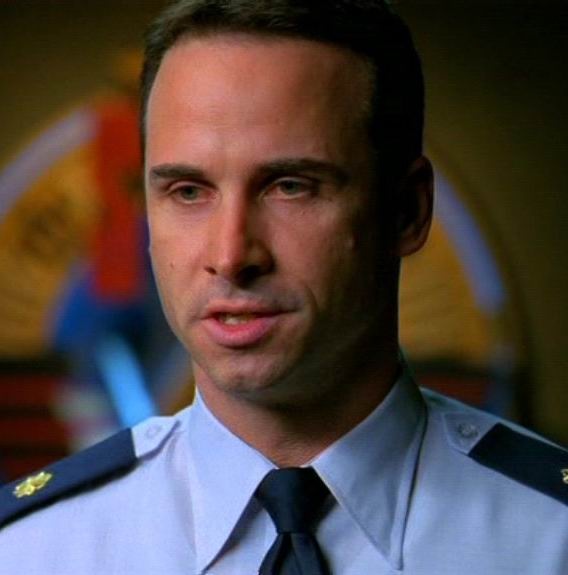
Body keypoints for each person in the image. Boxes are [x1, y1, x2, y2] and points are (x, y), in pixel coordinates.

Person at [1, 1, 567, 573]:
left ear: (407, 211)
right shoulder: (31, 552)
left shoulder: (551, 538)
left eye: (290, 186)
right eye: (189, 191)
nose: (231, 256)